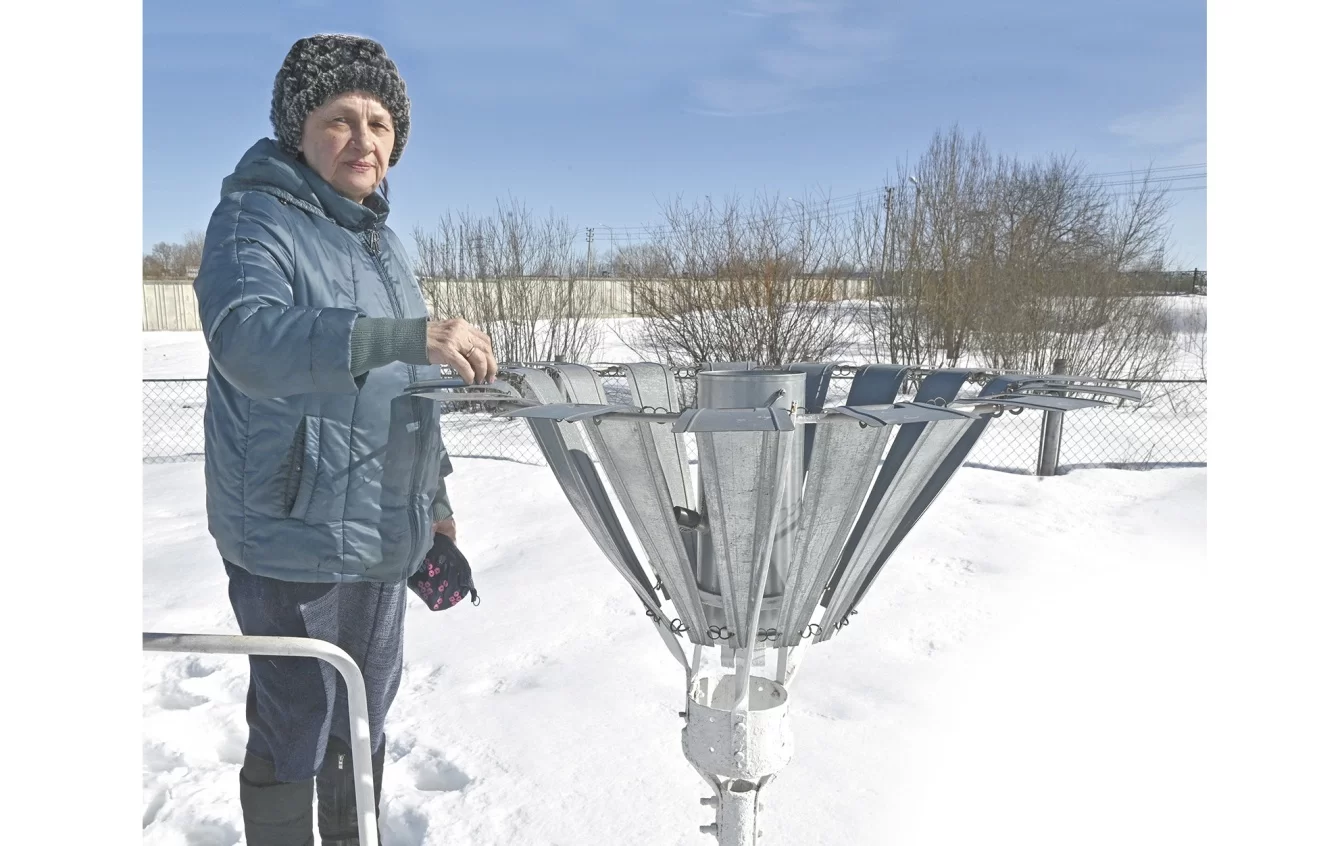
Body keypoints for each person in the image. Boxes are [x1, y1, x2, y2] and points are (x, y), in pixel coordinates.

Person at [192, 34, 497, 846]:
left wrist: (435, 501)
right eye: (340, 119)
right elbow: (247, 337)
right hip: (291, 532)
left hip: (384, 530)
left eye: (380, 123)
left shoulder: (382, 243)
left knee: (364, 715)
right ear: (299, 130)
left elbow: (411, 389)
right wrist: (399, 335)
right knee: (298, 720)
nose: (364, 139)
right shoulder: (253, 219)